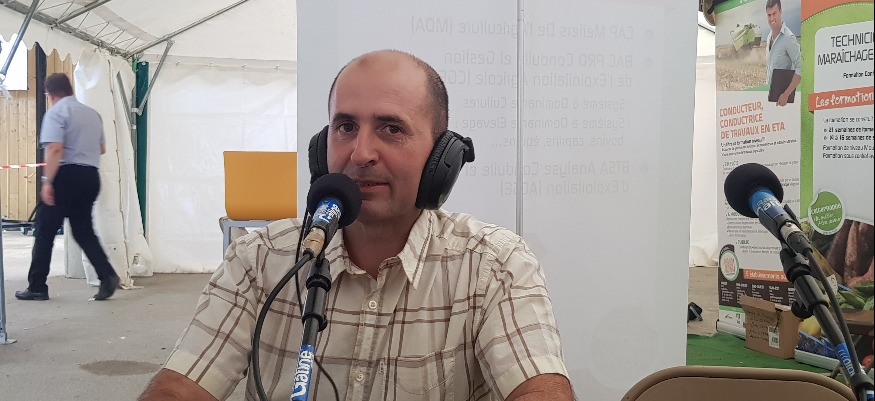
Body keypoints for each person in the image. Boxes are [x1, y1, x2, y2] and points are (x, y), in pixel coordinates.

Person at [138, 50, 573, 400]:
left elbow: (539, 388)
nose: (360, 153)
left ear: (443, 158)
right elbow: (180, 387)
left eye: (391, 129)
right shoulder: (260, 258)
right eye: (345, 126)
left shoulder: (494, 264)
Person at [14, 73, 120, 301]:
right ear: (69, 89)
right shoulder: (92, 114)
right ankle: (107, 275)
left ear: (50, 94)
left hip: (66, 177)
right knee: (83, 230)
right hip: (90, 176)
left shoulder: (56, 113)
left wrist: (47, 182)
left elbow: (55, 148)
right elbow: (101, 149)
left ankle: (37, 286)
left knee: (44, 231)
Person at [765, 0, 801, 107]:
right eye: (769, 15)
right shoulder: (769, 36)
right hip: (769, 97)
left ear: (780, 11)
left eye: (774, 13)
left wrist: (786, 94)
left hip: (783, 101)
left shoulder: (788, 38)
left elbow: (801, 67)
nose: (772, 18)